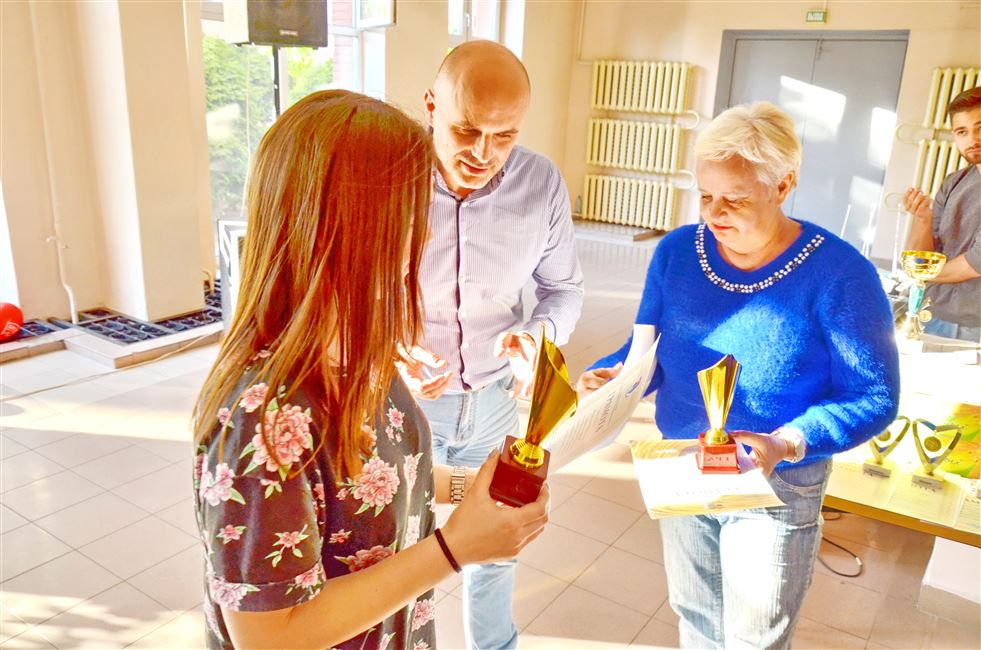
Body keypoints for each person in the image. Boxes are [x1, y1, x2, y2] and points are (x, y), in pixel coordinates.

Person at [191, 90, 549, 650]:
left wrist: (471, 489)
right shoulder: (263, 417)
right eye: (412, 214)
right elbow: (270, 637)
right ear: (348, 227)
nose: (426, 234)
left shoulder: (363, 355)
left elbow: (371, 484)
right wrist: (453, 548)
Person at [578, 101, 900, 649]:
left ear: (784, 184)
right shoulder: (677, 253)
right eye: (705, 195)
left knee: (755, 637)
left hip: (777, 477)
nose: (714, 213)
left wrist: (786, 442)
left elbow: (873, 395)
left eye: (736, 198)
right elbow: (648, 348)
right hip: (683, 458)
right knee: (695, 617)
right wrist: (611, 376)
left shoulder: (842, 274)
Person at [396, 41, 584, 650]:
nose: (483, 154)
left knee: (499, 542)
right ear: (431, 106)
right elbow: (347, 294)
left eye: (504, 136)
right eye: (466, 130)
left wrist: (537, 336)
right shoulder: (386, 178)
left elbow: (563, 290)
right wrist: (389, 351)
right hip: (404, 404)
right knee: (398, 543)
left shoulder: (540, 182)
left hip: (498, 399)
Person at [902, 86, 981, 342]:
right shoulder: (954, 181)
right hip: (932, 313)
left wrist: (920, 274)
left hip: (974, 325)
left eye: (980, 128)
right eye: (962, 132)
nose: (972, 140)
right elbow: (925, 255)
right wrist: (922, 218)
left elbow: (975, 263)